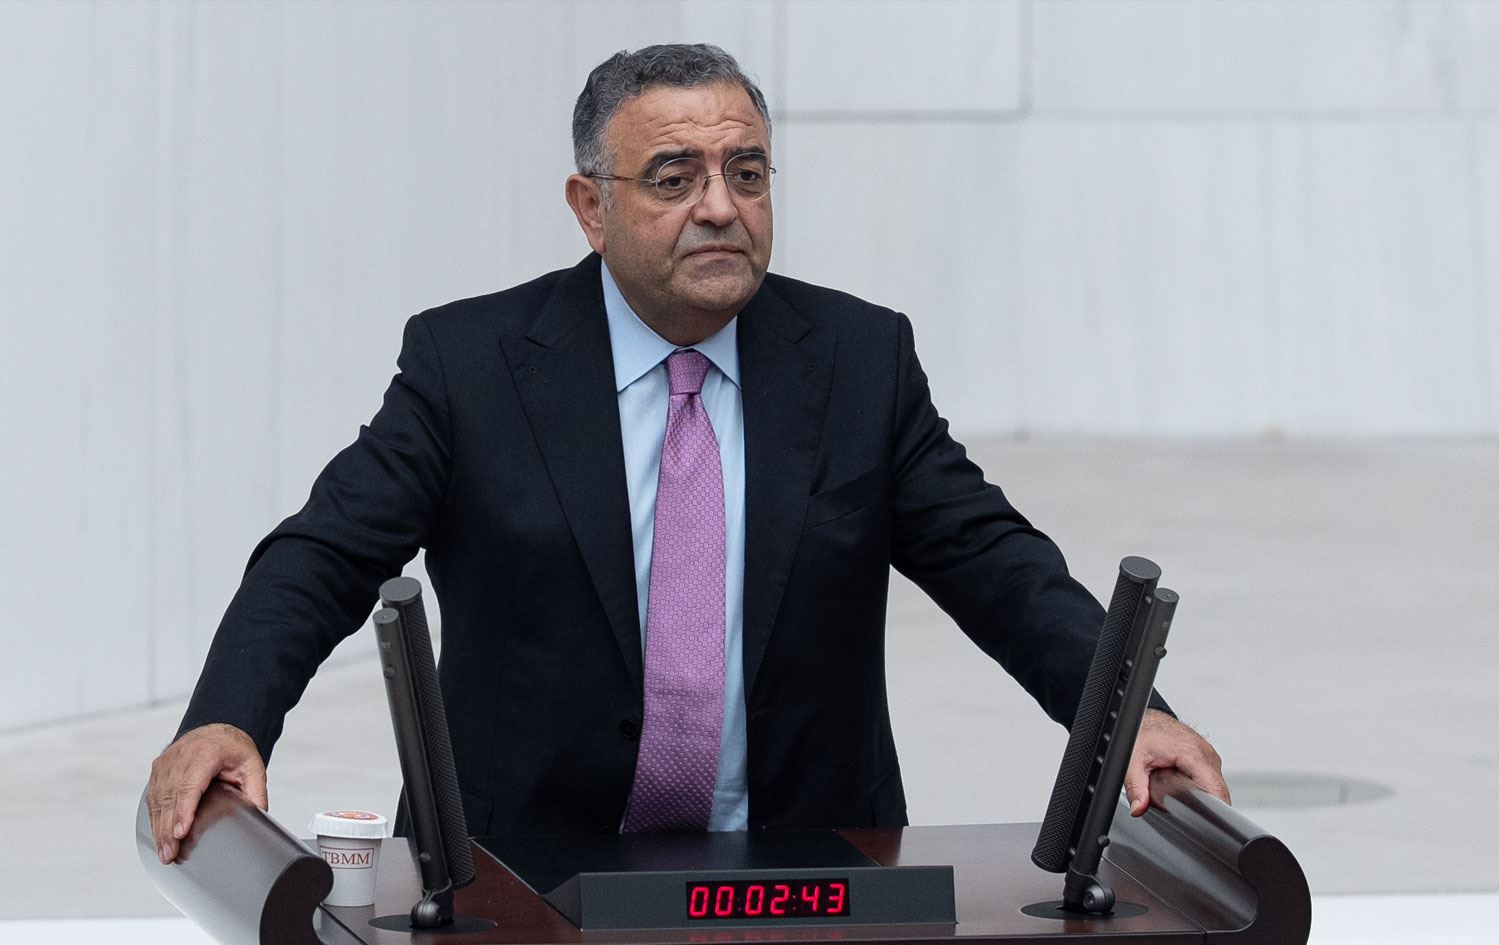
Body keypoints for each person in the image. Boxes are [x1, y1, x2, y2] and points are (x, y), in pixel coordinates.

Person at [148, 44, 1228, 864]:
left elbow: (996, 563)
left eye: (747, 172)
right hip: (523, 872)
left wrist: (1126, 720)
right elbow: (324, 554)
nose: (721, 207)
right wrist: (228, 717)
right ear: (591, 208)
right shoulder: (471, 367)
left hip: (806, 866)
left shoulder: (858, 360)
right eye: (674, 178)